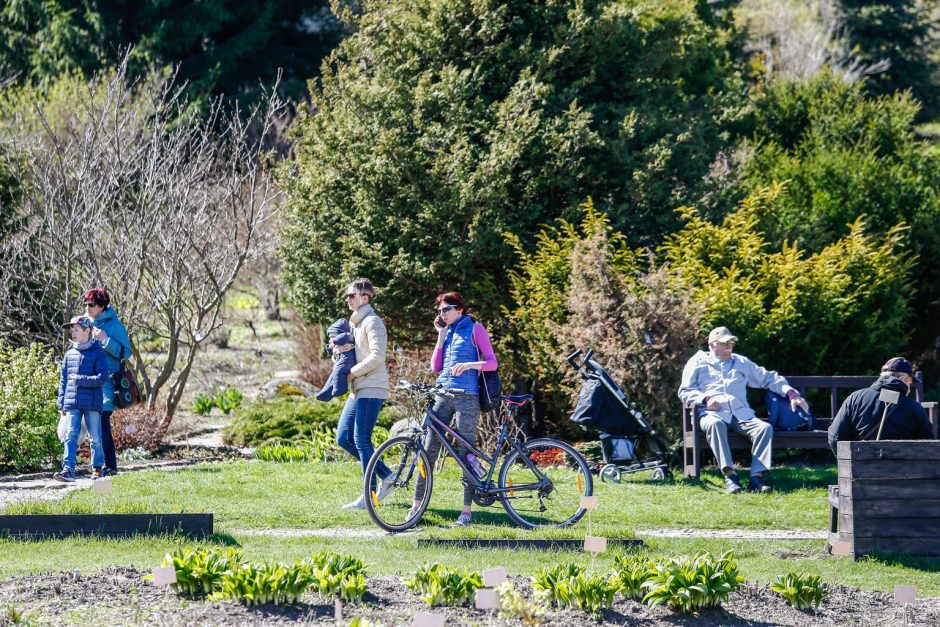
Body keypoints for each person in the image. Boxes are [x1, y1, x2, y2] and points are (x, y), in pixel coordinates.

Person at [678, 326, 809, 494]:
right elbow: (684, 391)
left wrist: (790, 393)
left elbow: (768, 378)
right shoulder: (697, 361)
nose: (729, 347)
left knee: (764, 428)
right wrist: (705, 399)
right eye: (724, 344)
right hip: (711, 413)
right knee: (714, 424)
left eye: (731, 343)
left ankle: (756, 478)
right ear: (712, 345)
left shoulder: (741, 362)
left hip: (741, 414)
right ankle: (730, 476)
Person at [410, 292, 498, 526]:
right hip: (443, 395)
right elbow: (436, 367)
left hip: (467, 397)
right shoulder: (447, 332)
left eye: (446, 309)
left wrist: (470, 364)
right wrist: (440, 335)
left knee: (465, 453)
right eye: (439, 310)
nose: (442, 314)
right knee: (427, 450)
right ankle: (416, 507)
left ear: (459, 309)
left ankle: (467, 512)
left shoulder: (475, 328)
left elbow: (492, 362)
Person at [334, 279, 394, 509]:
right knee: (343, 438)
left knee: (361, 439)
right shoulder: (355, 324)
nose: (348, 299)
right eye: (347, 296)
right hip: (358, 387)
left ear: (365, 298)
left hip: (372, 387)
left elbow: (378, 356)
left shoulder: (373, 322)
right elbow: (355, 355)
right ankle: (387, 475)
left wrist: (351, 373)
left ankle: (368, 496)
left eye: (352, 295)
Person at [828, 357, 933, 453]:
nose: (909, 389)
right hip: (902, 471)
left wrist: (847, 460)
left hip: (860, 470)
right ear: (901, 379)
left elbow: (835, 437)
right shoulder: (914, 408)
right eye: (909, 383)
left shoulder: (855, 398)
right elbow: (928, 446)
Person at [54, 316, 110, 482]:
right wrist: (61, 403)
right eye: (72, 330)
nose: (73, 333)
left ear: (87, 331)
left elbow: (102, 377)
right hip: (72, 403)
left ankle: (98, 469)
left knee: (95, 437)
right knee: (70, 436)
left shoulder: (98, 352)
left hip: (92, 404)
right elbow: (63, 380)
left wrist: (80, 379)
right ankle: (68, 470)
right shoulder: (69, 353)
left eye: (76, 329)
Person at [83, 288, 131, 477]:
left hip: (108, 383)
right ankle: (100, 465)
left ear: (102, 306)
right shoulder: (84, 322)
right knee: (91, 424)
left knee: (101, 422)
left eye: (91, 305)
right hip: (87, 382)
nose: (87, 308)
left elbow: (125, 352)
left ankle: (108, 466)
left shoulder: (114, 325)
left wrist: (105, 340)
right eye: (85, 304)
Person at [316, 318, 356, 402]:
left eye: (333, 337)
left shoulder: (347, 338)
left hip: (347, 360)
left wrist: (335, 341)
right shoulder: (336, 345)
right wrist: (332, 351)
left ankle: (340, 388)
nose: (331, 340)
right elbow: (331, 354)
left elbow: (345, 337)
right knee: (334, 373)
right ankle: (326, 391)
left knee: (338, 370)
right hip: (342, 360)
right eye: (330, 338)